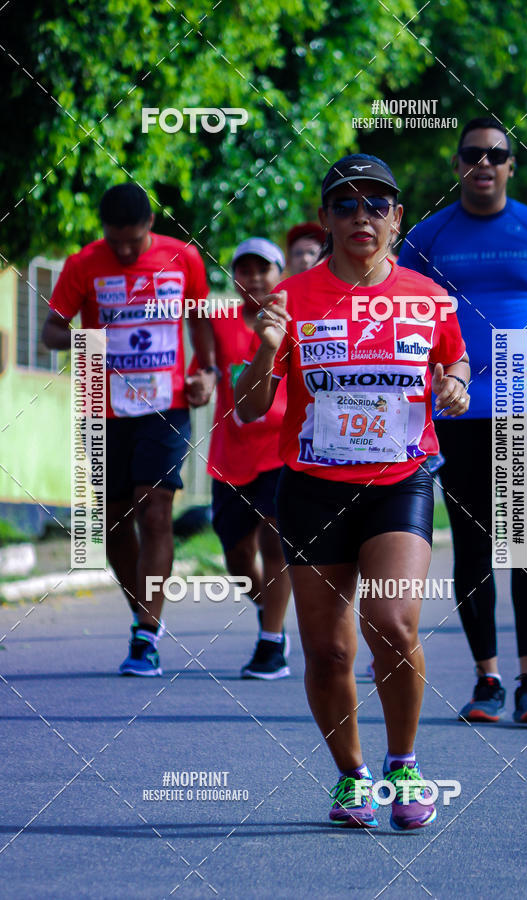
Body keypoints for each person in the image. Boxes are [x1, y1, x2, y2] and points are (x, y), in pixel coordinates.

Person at [235, 154, 470, 830]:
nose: (361, 216)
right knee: (330, 651)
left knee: (393, 624)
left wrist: (454, 384)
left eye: (376, 204)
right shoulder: (293, 300)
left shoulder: (427, 297)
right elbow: (250, 410)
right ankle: (351, 775)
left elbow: (452, 360)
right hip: (311, 488)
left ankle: (404, 766)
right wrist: (263, 349)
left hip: (400, 479)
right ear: (326, 218)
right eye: (345, 204)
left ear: (397, 218)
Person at [398, 117, 527, 724]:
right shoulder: (428, 236)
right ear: (457, 165)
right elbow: (401, 326)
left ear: (511, 165)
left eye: (496, 155)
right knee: (475, 543)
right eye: (472, 154)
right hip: (457, 411)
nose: (484, 164)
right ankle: (487, 681)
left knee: (524, 538)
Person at [42, 183, 214, 676]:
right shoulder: (84, 264)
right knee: (115, 521)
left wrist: (206, 371)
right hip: (104, 406)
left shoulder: (182, 258)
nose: (122, 252)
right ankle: (142, 615)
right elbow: (52, 329)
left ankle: (145, 636)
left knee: (154, 508)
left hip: (166, 402)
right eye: (114, 242)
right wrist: (88, 339)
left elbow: (199, 318)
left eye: (132, 243)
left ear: (150, 227)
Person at [187, 238, 292, 678]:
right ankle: (276, 615)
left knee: (274, 541)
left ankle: (270, 642)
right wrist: (204, 382)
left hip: (281, 446)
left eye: (262, 269)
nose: (253, 278)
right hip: (230, 451)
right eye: (244, 270)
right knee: (236, 556)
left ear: (279, 274)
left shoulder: (295, 318)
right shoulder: (222, 318)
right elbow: (207, 366)